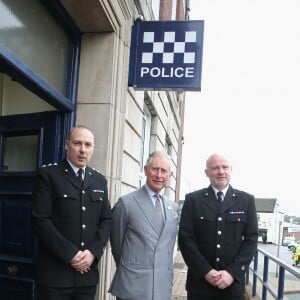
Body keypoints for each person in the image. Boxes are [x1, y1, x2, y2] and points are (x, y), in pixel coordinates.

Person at [31, 125, 112, 300]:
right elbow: (40, 221)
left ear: (93, 148)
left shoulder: (99, 180)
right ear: (67, 145)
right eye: (77, 143)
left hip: (86, 277)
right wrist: (72, 255)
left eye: (88, 145)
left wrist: (92, 253)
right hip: (54, 277)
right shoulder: (48, 174)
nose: (83, 150)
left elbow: (106, 220)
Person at [178, 153, 258, 300]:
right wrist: (205, 271)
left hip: (232, 286)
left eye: (225, 167)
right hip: (200, 285)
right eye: (215, 168)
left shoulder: (246, 201)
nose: (221, 171)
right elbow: (185, 239)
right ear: (206, 173)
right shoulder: (193, 200)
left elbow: (251, 240)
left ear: (231, 170)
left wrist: (232, 273)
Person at [109, 151, 179, 300]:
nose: (159, 175)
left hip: (162, 286)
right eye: (155, 169)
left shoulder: (173, 208)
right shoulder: (126, 203)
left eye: (164, 171)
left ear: (169, 175)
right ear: (146, 170)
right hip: (133, 286)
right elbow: (117, 245)